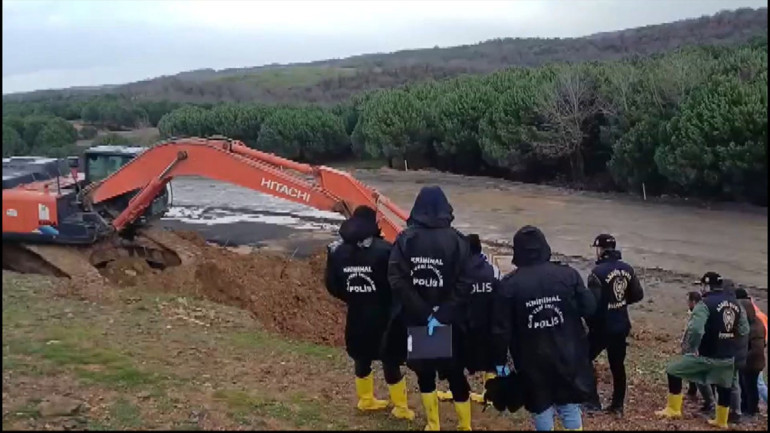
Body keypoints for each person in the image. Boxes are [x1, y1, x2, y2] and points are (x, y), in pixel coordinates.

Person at [490, 225, 597, 431]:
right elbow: (589, 308)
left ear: (518, 251)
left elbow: (500, 330)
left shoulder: (509, 285)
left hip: (531, 358)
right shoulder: (568, 275)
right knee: (569, 403)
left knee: (540, 406)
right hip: (567, 352)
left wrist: (500, 361)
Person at [387, 186, 474, 431]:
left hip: (418, 320)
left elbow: (397, 279)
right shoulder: (458, 240)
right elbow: (466, 281)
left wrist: (424, 313)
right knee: (455, 373)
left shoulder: (406, 239)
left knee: (425, 374)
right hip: (450, 321)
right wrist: (442, 313)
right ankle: (465, 426)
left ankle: (433, 425)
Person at [325, 205, 415, 421]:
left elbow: (331, 284)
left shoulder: (338, 251)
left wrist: (352, 295)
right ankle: (400, 408)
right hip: (385, 313)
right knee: (390, 358)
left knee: (361, 355)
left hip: (356, 312)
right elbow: (397, 281)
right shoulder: (386, 250)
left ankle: (365, 399)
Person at [656, 271, 749, 429]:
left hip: (707, 355)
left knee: (673, 370)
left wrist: (693, 347)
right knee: (725, 386)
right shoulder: (736, 304)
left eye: (702, 285)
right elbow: (744, 330)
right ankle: (721, 421)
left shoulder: (704, 304)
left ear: (707, 286)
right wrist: (728, 339)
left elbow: (696, 329)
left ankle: (673, 409)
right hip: (727, 357)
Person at [583, 234, 644, 416]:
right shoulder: (627, 269)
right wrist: (620, 303)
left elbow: (592, 305)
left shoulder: (597, 273)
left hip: (602, 327)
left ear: (600, 250)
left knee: (583, 358)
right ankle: (618, 406)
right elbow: (638, 295)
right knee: (617, 365)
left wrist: (588, 321)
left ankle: (592, 402)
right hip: (621, 324)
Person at [682, 291, 716, 415]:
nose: (687, 304)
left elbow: (696, 330)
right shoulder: (697, 312)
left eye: (688, 301)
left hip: (698, 348)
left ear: (693, 301)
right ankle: (707, 400)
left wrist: (693, 346)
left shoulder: (700, 312)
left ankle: (711, 403)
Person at [735, 288, 766, 419]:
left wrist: (743, 358)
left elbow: (756, 348)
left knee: (752, 387)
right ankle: (745, 408)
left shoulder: (755, 326)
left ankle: (752, 410)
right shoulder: (750, 323)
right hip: (747, 361)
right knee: (744, 386)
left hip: (752, 362)